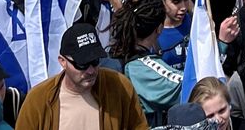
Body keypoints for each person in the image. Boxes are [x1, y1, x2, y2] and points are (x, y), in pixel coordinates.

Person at [14, 23, 146, 130]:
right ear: (62, 61)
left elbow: (139, 126)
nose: (90, 71)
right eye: (82, 64)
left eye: (95, 62)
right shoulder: (39, 99)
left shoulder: (119, 86)